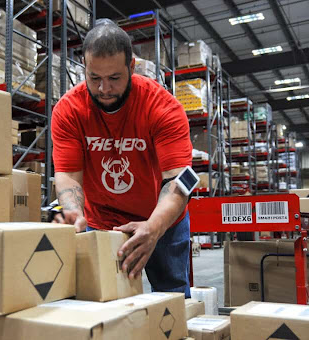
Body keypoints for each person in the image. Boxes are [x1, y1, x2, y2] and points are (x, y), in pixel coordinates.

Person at [51, 19, 193, 298]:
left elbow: (180, 181)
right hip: (101, 222)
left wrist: (153, 228)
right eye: (94, 78)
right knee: (100, 303)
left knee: (171, 302)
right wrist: (74, 213)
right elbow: (68, 174)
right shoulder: (69, 110)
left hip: (161, 221)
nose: (104, 89)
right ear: (85, 68)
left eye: (114, 78)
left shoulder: (162, 107)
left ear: (131, 67)